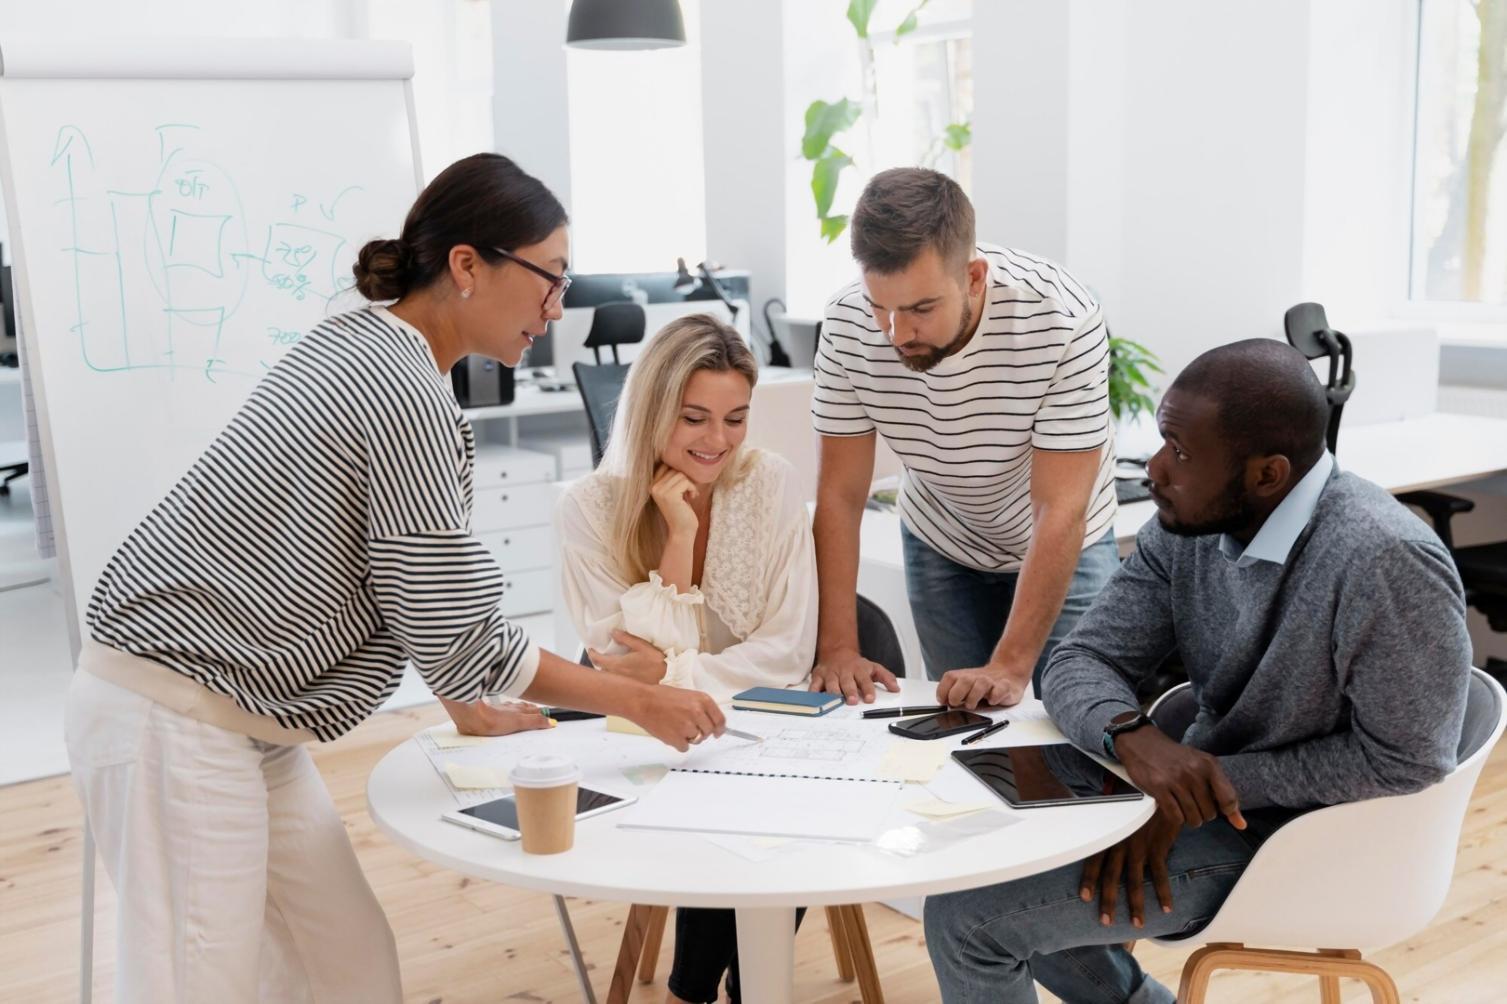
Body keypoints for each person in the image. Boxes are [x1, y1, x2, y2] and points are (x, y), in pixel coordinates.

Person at [64, 153, 725, 1004]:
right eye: (549, 278)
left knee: (347, 969)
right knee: (193, 981)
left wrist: (462, 699)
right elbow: (459, 628)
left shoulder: (367, 343)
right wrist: (638, 699)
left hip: (248, 718)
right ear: (465, 265)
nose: (557, 308)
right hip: (174, 710)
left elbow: (403, 578)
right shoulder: (402, 386)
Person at [922, 339, 1473, 1004]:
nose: (1152, 469)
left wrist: (1201, 791)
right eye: (1160, 441)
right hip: (1198, 807)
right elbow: (1078, 659)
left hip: (1305, 840)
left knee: (968, 921)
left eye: (1179, 452)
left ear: (1266, 475)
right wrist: (1137, 742)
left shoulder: (1383, 561)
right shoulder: (1186, 529)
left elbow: (1408, 760)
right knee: (977, 882)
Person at [556, 313, 817, 1004]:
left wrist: (674, 676)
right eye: (694, 417)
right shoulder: (586, 508)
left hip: (763, 721)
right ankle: (708, 986)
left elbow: (788, 648)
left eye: (735, 418)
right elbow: (617, 661)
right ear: (651, 409)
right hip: (646, 734)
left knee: (783, 791)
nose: (718, 442)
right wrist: (678, 535)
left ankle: (722, 987)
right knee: (714, 783)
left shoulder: (772, 482)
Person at [809, 166, 1120, 710]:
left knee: (1077, 721)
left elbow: (1060, 507)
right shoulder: (845, 325)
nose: (897, 334)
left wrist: (1010, 665)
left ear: (974, 277)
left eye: (921, 309)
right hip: (943, 537)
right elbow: (839, 495)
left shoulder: (1061, 319)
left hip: (1064, 538)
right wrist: (837, 647)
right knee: (957, 724)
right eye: (881, 306)